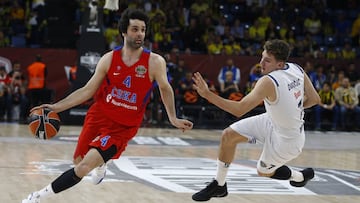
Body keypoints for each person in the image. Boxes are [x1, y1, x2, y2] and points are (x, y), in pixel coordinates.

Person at [22, 8, 193, 203]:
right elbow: (87, 90)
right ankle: (102, 163)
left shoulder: (155, 62)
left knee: (83, 167)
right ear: (124, 32)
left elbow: (166, 89)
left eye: (143, 30)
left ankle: (37, 197)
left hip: (122, 128)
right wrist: (55, 107)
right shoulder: (109, 59)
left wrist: (172, 117)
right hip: (99, 115)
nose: (140, 34)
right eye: (135, 29)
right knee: (78, 161)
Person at [191, 39, 320, 201]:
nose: (261, 64)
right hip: (272, 121)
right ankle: (219, 184)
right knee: (228, 136)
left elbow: (239, 110)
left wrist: (207, 94)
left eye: (267, 61)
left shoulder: (268, 81)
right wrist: (295, 109)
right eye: (262, 57)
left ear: (279, 65)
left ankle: (299, 177)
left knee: (263, 171)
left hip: (288, 140)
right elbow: (315, 98)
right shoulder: (297, 69)